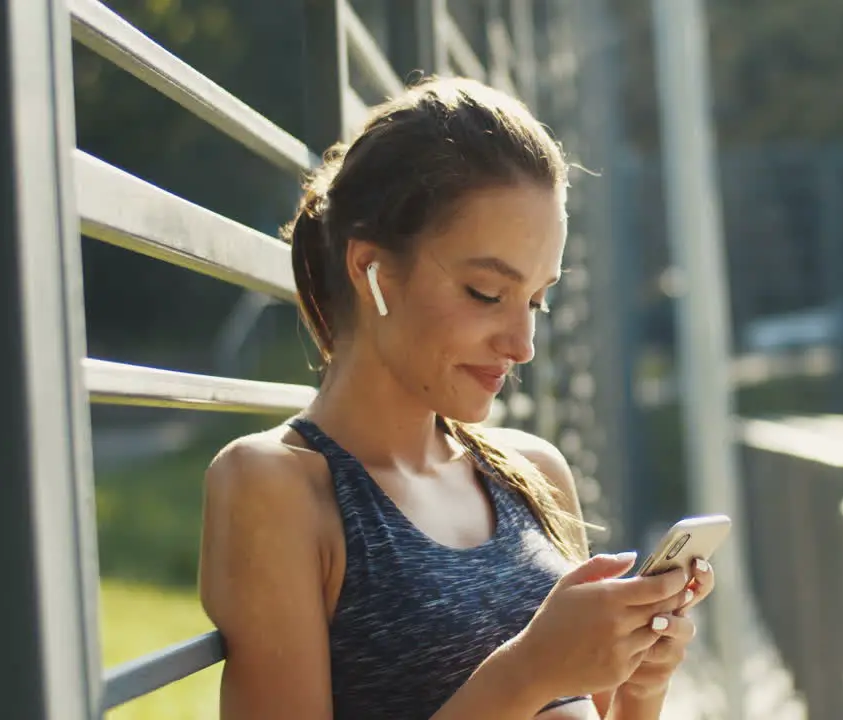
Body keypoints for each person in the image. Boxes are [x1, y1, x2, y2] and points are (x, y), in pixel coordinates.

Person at [198, 76, 716, 719]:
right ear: (372, 271)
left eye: (536, 299)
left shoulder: (533, 474)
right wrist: (527, 672)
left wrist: (642, 686)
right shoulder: (275, 487)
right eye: (486, 293)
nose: (523, 343)